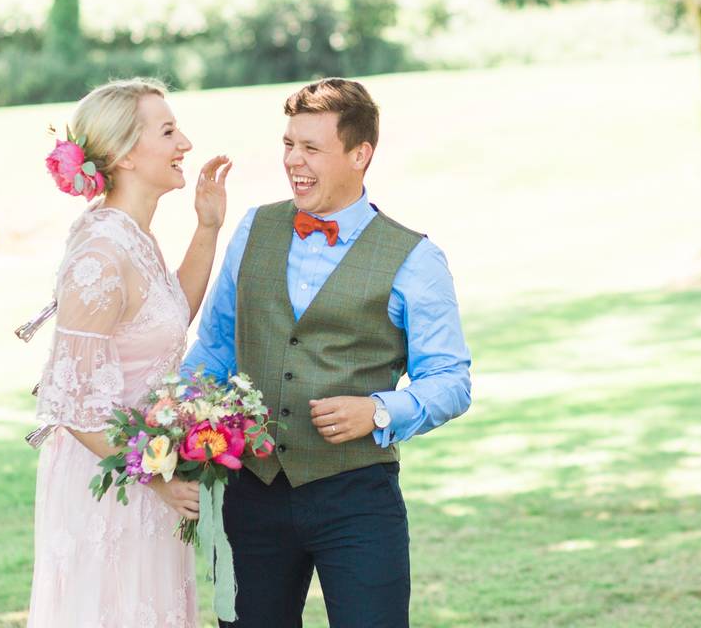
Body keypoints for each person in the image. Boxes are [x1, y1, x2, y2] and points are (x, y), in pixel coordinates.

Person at [182, 77, 472, 628]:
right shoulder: (253, 229)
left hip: (357, 498)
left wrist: (381, 410)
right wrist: (179, 432)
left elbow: (450, 379)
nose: (294, 160)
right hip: (252, 492)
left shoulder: (416, 258)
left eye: (311, 148)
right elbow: (215, 347)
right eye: (289, 143)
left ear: (360, 154)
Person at [26, 77, 231, 627]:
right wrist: (161, 479)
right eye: (167, 131)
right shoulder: (101, 252)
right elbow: (68, 402)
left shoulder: (133, 236)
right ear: (122, 154)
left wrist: (207, 228)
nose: (184, 142)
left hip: (144, 471)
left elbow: (165, 320)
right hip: (111, 482)